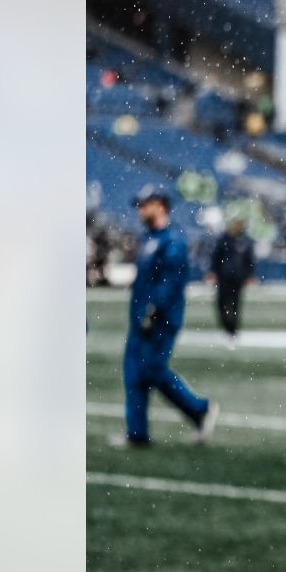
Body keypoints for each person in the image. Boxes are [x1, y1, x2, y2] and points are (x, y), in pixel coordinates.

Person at [117, 186, 219, 448]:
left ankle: (199, 409)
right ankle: (137, 434)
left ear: (160, 205)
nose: (140, 210)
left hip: (160, 319)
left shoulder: (172, 240)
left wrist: (154, 310)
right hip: (140, 318)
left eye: (144, 204)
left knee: (152, 370)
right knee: (133, 373)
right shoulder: (150, 239)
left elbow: (170, 282)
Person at [207, 218, 256, 349]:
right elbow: (216, 256)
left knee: (234, 305)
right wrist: (213, 272)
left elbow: (249, 260)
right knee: (222, 304)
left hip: (237, 278)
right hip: (224, 277)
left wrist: (249, 275)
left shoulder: (244, 242)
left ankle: (232, 330)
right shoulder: (224, 240)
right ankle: (227, 328)